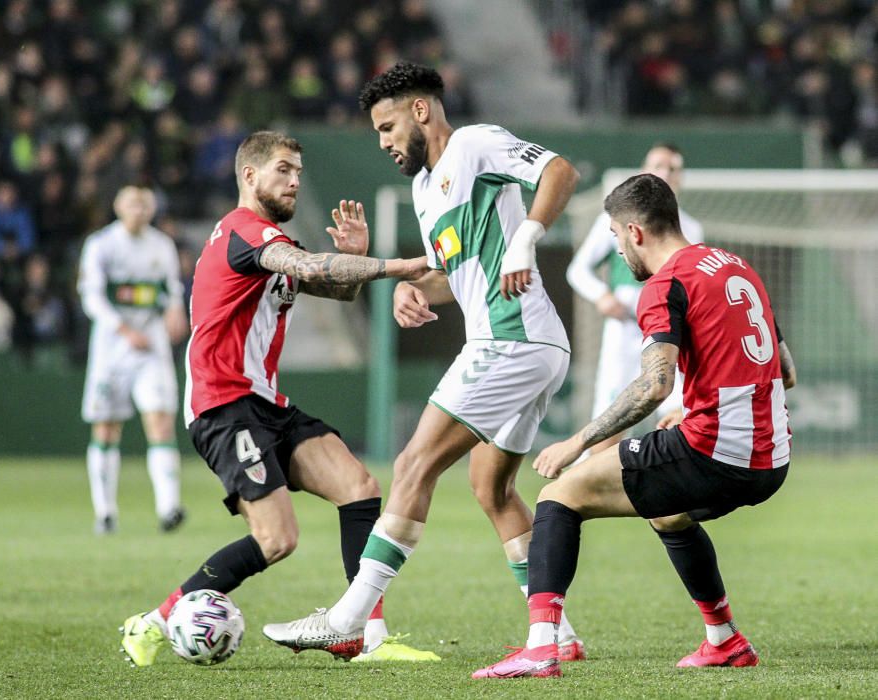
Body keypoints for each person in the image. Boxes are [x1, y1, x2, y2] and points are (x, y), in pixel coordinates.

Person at [263, 62, 587, 662]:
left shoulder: (474, 143)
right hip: (532, 346)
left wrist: (525, 238)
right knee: (491, 488)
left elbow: (560, 171)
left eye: (387, 127)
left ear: (420, 111)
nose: (383, 143)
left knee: (414, 462)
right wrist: (414, 289)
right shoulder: (421, 190)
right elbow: (452, 271)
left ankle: (348, 616)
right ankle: (557, 632)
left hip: (510, 338)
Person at [120, 130, 437, 667]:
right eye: (283, 171)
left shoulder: (269, 242)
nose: (294, 182)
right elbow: (312, 269)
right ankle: (152, 624)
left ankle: (363, 637)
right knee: (276, 540)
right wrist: (395, 266)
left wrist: (353, 259)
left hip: (264, 402)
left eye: (298, 173)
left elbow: (330, 282)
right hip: (223, 405)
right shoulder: (246, 232)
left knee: (359, 488)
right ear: (249, 175)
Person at [472, 173, 796, 679]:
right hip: (772, 461)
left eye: (615, 237)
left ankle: (540, 647)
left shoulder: (665, 285)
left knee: (561, 494)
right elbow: (786, 372)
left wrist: (578, 442)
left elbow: (652, 386)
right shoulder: (736, 266)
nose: (619, 250)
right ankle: (724, 640)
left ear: (635, 232)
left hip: (716, 457)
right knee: (668, 514)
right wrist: (695, 410)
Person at [566, 144, 704, 454]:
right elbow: (578, 270)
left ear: (681, 177)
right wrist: (602, 296)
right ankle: (587, 490)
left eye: (673, 168)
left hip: (670, 330)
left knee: (683, 416)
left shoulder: (691, 227)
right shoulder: (618, 220)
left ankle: (676, 491)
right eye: (658, 165)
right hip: (626, 328)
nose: (665, 173)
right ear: (644, 170)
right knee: (610, 419)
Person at [78, 186, 188, 535]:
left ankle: (169, 507)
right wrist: (124, 329)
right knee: (107, 427)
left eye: (144, 204)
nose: (138, 210)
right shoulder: (101, 245)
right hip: (112, 349)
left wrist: (174, 312)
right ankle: (105, 512)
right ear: (118, 206)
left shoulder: (162, 245)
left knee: (160, 422)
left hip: (151, 347)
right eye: (132, 204)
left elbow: (172, 288)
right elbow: (92, 297)